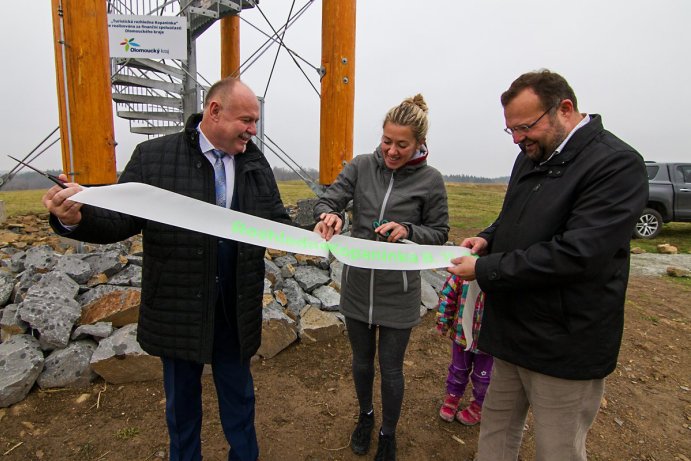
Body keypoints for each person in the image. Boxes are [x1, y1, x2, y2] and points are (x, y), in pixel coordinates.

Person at [42, 77, 291, 461]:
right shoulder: (153, 157)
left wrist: (320, 229)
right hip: (179, 306)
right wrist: (76, 218)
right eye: (246, 120)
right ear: (214, 111)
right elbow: (119, 221)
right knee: (182, 408)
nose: (253, 130)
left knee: (240, 402)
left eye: (255, 121)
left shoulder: (254, 164)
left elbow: (276, 222)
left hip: (234, 307)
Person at [448, 69, 648, 460]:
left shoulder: (616, 165)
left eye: (525, 127)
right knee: (496, 434)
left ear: (565, 109)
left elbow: (577, 254)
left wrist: (486, 271)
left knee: (558, 449)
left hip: (564, 342)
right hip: (511, 332)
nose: (518, 139)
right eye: (511, 131)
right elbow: (516, 218)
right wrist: (489, 236)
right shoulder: (532, 155)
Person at [313, 94, 449, 461]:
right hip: (358, 284)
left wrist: (408, 230)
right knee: (361, 362)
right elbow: (330, 199)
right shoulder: (359, 166)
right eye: (387, 141)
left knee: (390, 370)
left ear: (419, 143)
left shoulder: (431, 180)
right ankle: (365, 417)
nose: (391, 150)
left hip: (398, 291)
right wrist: (331, 216)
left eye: (401, 144)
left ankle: (388, 434)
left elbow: (438, 232)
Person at [435, 275, 492, 425]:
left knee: (484, 378)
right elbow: (448, 296)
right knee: (458, 369)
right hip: (462, 336)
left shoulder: (502, 274)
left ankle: (478, 405)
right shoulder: (462, 274)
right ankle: (452, 397)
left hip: (489, 343)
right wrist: (443, 321)